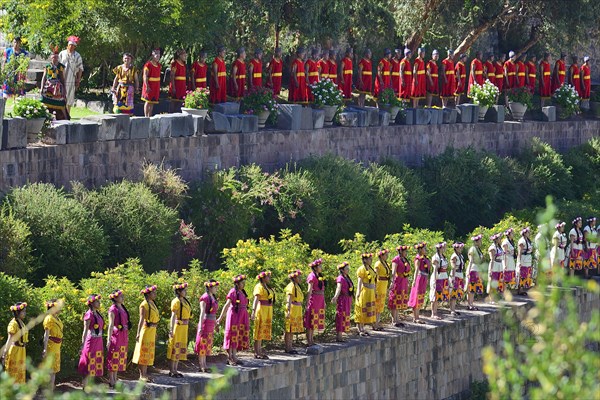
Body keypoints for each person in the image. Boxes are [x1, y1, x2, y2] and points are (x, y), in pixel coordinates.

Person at [217, 274, 250, 366]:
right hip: (234, 316)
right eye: (242, 283)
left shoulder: (242, 292)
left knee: (237, 335)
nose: (244, 284)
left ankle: (235, 356)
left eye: (244, 283)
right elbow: (227, 305)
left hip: (241, 316)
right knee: (232, 335)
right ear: (237, 283)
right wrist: (220, 318)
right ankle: (230, 357)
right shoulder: (232, 292)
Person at [132, 285, 159, 382]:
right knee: (143, 352)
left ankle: (145, 374)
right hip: (146, 330)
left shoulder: (152, 303)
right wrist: (138, 333)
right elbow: (141, 319)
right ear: (148, 294)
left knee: (148, 352)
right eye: (153, 292)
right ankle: (141, 375)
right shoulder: (144, 305)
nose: (155, 294)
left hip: (152, 330)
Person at [106, 290, 130, 388]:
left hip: (123, 334)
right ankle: (111, 380)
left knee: (119, 356)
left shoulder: (122, 308)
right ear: (115, 298)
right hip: (116, 335)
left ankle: (115, 378)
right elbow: (111, 325)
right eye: (120, 296)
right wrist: (108, 339)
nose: (122, 297)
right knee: (113, 356)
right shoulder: (113, 309)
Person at [78, 294, 104, 387]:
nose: (99, 303)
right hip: (91, 341)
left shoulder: (97, 313)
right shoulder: (88, 314)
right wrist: (82, 344)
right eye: (97, 301)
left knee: (95, 361)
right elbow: (85, 331)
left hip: (98, 341)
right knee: (88, 361)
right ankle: (85, 386)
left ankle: (90, 386)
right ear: (92, 303)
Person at [168, 283, 191, 378]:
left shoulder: (184, 301)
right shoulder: (176, 301)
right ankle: (172, 370)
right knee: (175, 346)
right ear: (178, 291)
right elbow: (173, 316)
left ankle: (176, 369)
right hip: (178, 326)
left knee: (180, 347)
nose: (185, 292)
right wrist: (171, 329)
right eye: (184, 290)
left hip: (184, 327)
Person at [195, 280, 219, 373]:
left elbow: (214, 312)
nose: (216, 289)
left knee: (207, 343)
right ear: (209, 287)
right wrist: (200, 326)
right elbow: (202, 313)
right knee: (202, 343)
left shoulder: (213, 297)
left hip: (211, 323)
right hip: (205, 323)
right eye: (215, 287)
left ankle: (205, 364)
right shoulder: (204, 298)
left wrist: (216, 324)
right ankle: (202, 365)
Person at [2, 302, 28, 383]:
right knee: (13, 374)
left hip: (21, 351)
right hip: (15, 351)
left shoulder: (22, 323)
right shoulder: (13, 324)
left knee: (20, 373)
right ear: (17, 312)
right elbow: (9, 340)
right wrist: (4, 354)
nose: (25, 313)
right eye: (23, 311)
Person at [40, 47, 69, 120]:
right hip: (48, 85)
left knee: (61, 103)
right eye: (53, 57)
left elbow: (62, 79)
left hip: (57, 87)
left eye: (56, 57)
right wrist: (41, 88)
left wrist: (64, 89)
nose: (55, 59)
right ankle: (42, 115)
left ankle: (65, 118)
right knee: (44, 101)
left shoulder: (60, 67)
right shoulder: (47, 66)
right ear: (51, 57)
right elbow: (44, 77)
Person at [251, 271, 274, 359]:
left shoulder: (266, 287)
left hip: (267, 309)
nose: (269, 278)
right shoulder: (259, 286)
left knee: (263, 330)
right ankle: (257, 352)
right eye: (268, 277)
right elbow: (256, 299)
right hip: (261, 309)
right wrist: (253, 311)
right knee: (258, 330)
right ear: (263, 278)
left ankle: (259, 351)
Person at [58, 36, 82, 112]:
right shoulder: (62, 53)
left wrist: (78, 80)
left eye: (73, 46)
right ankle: (60, 114)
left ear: (75, 47)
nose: (71, 47)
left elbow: (80, 68)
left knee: (70, 98)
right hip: (61, 79)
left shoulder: (77, 55)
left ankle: (67, 114)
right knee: (60, 96)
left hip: (71, 80)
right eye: (70, 45)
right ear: (67, 45)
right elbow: (57, 65)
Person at [42, 299, 63, 390]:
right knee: (50, 369)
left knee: (54, 369)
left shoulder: (57, 318)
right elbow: (46, 335)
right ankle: (48, 389)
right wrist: (44, 348)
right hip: (51, 345)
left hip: (57, 345)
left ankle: (51, 388)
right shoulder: (49, 318)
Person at [355, 253, 377, 336]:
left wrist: (375, 292)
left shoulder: (370, 269)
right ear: (364, 260)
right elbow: (359, 282)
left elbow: (374, 281)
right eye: (369, 259)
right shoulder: (361, 269)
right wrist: (358, 292)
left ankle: (363, 328)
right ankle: (359, 328)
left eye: (371, 259)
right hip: (364, 290)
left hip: (371, 291)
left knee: (368, 308)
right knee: (362, 308)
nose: (371, 260)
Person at [304, 258, 325, 345]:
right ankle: (309, 340)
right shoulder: (312, 276)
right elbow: (309, 290)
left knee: (315, 320)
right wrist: (307, 302)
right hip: (314, 299)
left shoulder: (319, 276)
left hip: (319, 299)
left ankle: (312, 339)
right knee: (311, 319)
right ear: (315, 267)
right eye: (319, 266)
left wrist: (324, 302)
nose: (321, 267)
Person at [331, 262, 354, 342]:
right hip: (342, 300)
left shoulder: (347, 277)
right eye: (347, 269)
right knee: (340, 316)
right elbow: (338, 288)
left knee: (345, 316)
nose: (348, 270)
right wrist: (335, 297)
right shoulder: (340, 278)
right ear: (342, 270)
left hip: (347, 299)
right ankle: (339, 336)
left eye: (348, 268)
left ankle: (341, 335)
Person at [408, 242, 430, 324]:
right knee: (417, 296)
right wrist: (414, 280)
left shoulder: (425, 258)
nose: (425, 249)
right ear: (420, 249)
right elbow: (416, 270)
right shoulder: (418, 258)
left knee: (421, 296)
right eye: (424, 248)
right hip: (419, 278)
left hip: (424, 277)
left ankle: (418, 316)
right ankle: (415, 317)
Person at [388, 245, 410, 327]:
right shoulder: (396, 259)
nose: (406, 253)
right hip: (398, 281)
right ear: (401, 251)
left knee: (400, 299)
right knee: (395, 298)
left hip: (403, 280)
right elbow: (393, 272)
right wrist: (392, 282)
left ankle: (397, 319)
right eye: (405, 251)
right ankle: (394, 320)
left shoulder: (404, 259)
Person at [284, 270, 303, 354]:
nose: (300, 278)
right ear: (294, 278)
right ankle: (288, 347)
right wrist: (288, 310)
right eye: (298, 277)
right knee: (289, 329)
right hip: (292, 308)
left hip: (297, 308)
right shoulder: (291, 286)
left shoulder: (297, 286)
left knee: (292, 329)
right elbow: (289, 299)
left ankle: (290, 347)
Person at [465, 235, 485, 310]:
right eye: (480, 241)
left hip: (477, 269)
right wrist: (468, 271)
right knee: (471, 287)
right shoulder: (472, 249)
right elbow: (471, 261)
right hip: (473, 269)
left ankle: (471, 303)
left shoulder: (478, 249)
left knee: (474, 287)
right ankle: (469, 304)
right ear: (476, 241)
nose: (481, 242)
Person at [430, 242, 449, 320]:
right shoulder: (436, 257)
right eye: (443, 247)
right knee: (434, 295)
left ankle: (435, 312)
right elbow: (435, 269)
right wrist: (434, 280)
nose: (445, 248)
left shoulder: (443, 256)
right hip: (437, 277)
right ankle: (433, 313)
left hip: (443, 277)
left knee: (438, 295)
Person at [141, 49, 162, 117]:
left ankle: (149, 116)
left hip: (156, 85)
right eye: (156, 55)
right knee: (148, 101)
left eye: (159, 55)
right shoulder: (148, 65)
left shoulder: (159, 65)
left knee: (152, 102)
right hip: (149, 84)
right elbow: (145, 76)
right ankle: (145, 116)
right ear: (153, 55)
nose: (158, 56)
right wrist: (147, 85)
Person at [374, 249, 390, 329]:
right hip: (379, 284)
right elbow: (375, 276)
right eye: (385, 255)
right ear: (381, 255)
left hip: (384, 284)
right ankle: (375, 323)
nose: (387, 256)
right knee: (377, 304)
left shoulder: (385, 263)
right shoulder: (378, 264)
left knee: (381, 304)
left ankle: (378, 322)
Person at [449, 242, 466, 315]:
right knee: (453, 293)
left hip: (460, 275)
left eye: (461, 248)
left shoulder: (461, 256)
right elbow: (453, 268)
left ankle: (454, 309)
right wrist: (453, 278)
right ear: (455, 248)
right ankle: (452, 310)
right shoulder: (454, 257)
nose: (461, 249)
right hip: (455, 275)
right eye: (460, 248)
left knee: (457, 293)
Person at [487, 233, 504, 303]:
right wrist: (491, 270)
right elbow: (492, 259)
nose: (501, 239)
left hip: (499, 265)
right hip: (494, 265)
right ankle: (491, 299)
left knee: (498, 282)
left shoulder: (499, 247)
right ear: (496, 240)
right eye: (499, 238)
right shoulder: (492, 248)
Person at [517, 227, 534, 294]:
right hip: (524, 258)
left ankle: (524, 288)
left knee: (527, 273)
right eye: (528, 232)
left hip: (528, 258)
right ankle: (520, 289)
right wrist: (519, 261)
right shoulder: (522, 241)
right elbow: (519, 252)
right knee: (522, 274)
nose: (529, 233)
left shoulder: (528, 240)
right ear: (524, 233)